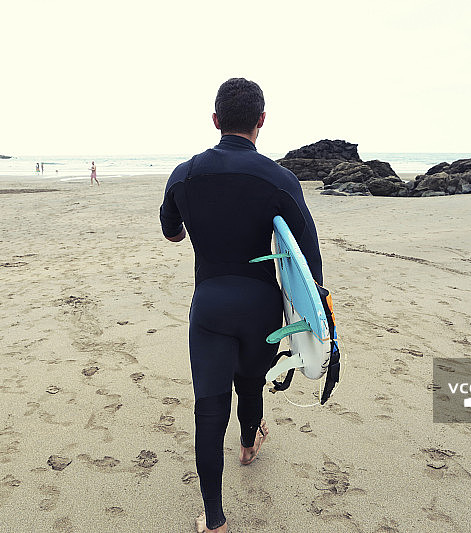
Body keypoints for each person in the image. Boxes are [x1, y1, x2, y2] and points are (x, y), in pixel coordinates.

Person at [160, 78, 323, 533]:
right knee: (250, 385)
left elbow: (172, 232)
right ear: (261, 122)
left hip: (209, 305)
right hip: (260, 305)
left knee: (210, 409)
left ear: (215, 121)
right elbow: (308, 261)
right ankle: (249, 445)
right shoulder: (279, 179)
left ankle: (214, 520)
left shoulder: (184, 175)